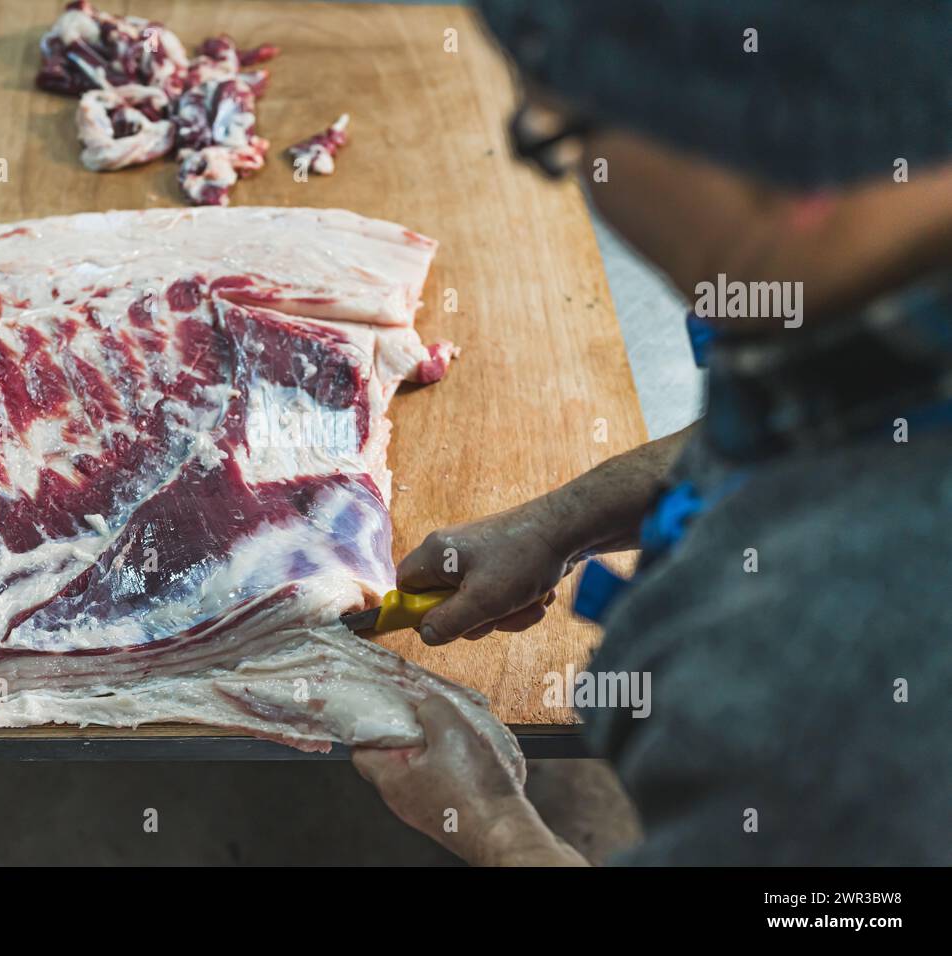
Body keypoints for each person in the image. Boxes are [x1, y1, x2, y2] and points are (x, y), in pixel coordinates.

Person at [353, 0, 952, 865]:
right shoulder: (889, 252)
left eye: (564, 138)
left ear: (788, 172)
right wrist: (561, 523)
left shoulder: (826, 699)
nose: (581, 179)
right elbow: (845, 419)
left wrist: (491, 825)